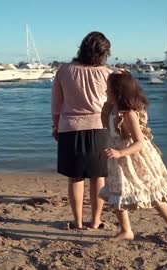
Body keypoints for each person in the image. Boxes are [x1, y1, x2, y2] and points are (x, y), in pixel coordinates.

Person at [99, 71, 167, 246]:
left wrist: (120, 153)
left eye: (109, 90)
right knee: (117, 195)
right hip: (117, 160)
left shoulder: (128, 114)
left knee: (153, 195)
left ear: (120, 93)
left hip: (135, 159)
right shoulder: (110, 108)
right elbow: (110, 130)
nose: (106, 92)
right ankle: (126, 230)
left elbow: (140, 142)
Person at [51, 31, 112, 229]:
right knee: (98, 177)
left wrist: (55, 127)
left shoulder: (64, 71)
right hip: (100, 128)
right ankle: (95, 221)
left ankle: (77, 222)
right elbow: (113, 105)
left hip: (70, 128)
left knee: (75, 177)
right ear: (104, 52)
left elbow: (56, 104)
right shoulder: (107, 74)